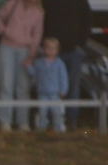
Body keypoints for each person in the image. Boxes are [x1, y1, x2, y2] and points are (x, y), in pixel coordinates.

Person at [0, 0, 44, 131]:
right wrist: (3, 31)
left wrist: (31, 55)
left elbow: (37, 35)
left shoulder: (39, 12)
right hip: (7, 47)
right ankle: (5, 122)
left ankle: (23, 122)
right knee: (6, 84)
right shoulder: (13, 3)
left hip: (25, 51)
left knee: (23, 87)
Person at [41, 0, 88, 130]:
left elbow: (87, 21)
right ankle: (51, 120)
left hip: (74, 51)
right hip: (53, 51)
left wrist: (81, 44)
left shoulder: (80, 2)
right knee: (51, 86)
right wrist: (46, 46)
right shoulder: (48, 2)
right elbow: (42, 21)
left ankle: (71, 120)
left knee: (73, 86)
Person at [28, 36, 69, 131]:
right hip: (42, 93)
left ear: (57, 50)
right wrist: (28, 66)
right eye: (48, 48)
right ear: (43, 49)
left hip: (55, 94)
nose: (50, 50)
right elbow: (34, 74)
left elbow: (63, 78)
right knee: (42, 112)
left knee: (57, 112)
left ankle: (58, 129)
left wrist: (63, 90)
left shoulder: (60, 64)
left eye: (53, 48)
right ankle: (41, 129)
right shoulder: (38, 63)